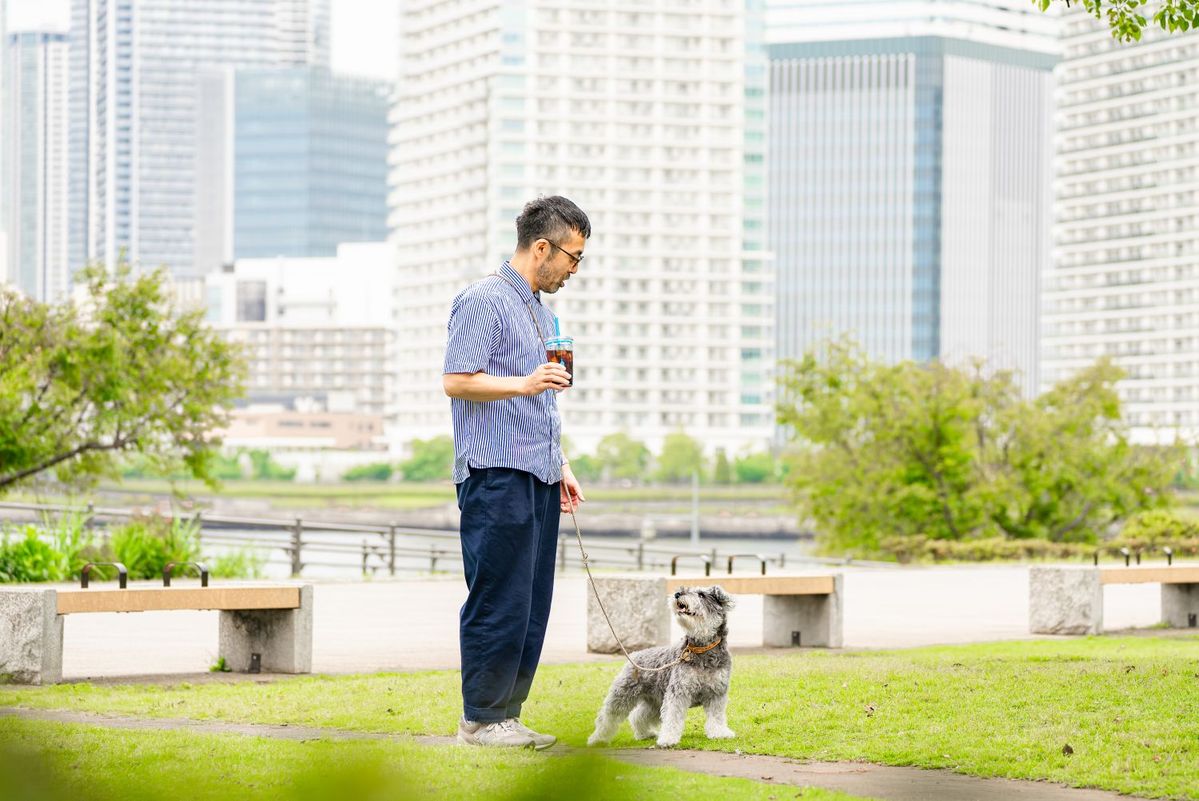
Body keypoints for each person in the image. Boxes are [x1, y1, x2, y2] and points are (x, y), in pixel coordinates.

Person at [442, 195, 590, 749]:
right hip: (493, 471)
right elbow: (458, 380)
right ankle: (479, 719)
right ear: (542, 247)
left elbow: (543, 400)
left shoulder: (543, 312)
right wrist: (524, 381)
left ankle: (507, 715)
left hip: (537, 472)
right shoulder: (481, 300)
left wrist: (562, 464)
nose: (575, 269)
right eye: (572, 257)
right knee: (498, 597)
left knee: (531, 601)